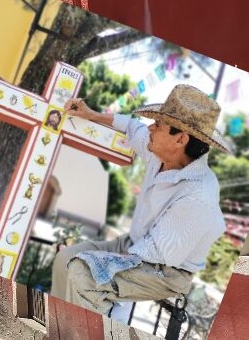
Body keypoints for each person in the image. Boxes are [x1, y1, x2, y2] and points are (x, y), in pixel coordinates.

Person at [50, 84, 227, 316]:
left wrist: (100, 262)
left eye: (158, 125)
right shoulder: (160, 152)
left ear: (180, 139)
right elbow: (132, 127)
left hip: (165, 268)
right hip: (136, 245)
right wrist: (90, 114)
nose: (151, 128)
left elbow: (158, 253)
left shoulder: (199, 195)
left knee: (83, 274)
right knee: (66, 258)